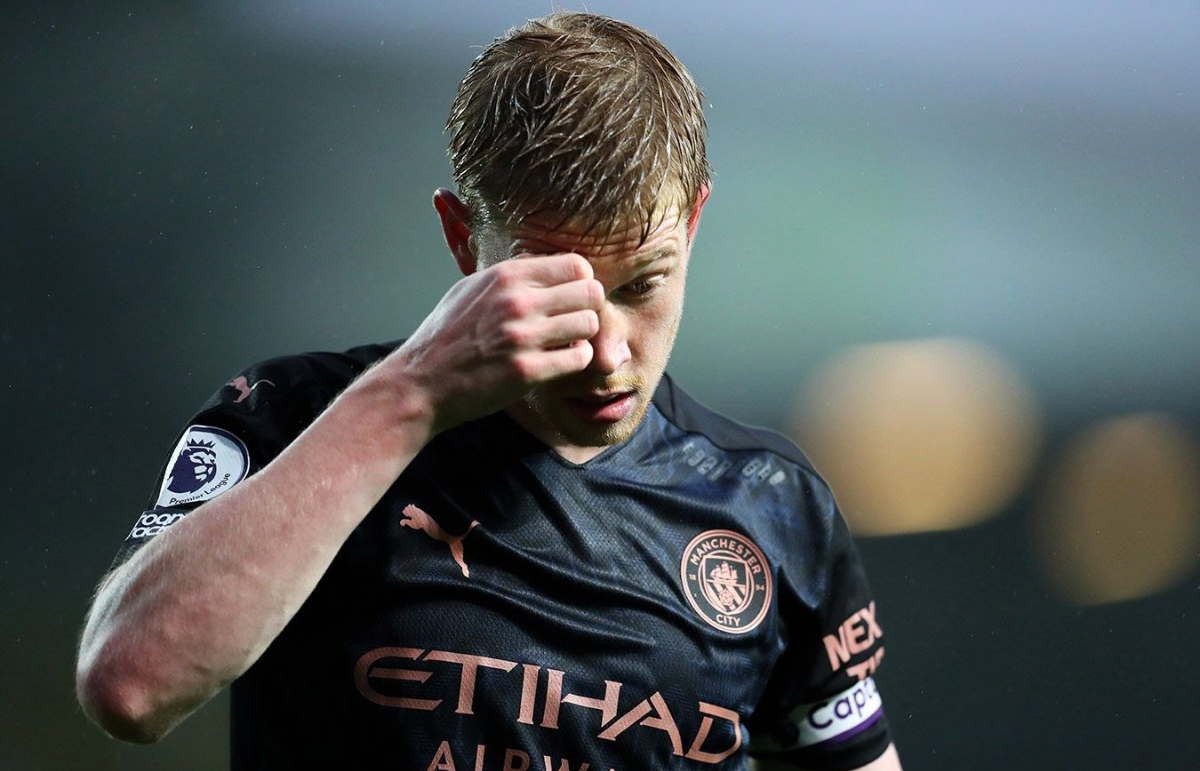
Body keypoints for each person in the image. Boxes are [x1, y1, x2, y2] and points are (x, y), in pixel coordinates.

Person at [76, 12, 902, 771]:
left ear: (692, 224)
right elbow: (130, 686)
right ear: (463, 237)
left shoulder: (772, 505)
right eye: (555, 288)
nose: (605, 351)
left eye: (642, 284)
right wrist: (409, 396)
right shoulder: (293, 417)